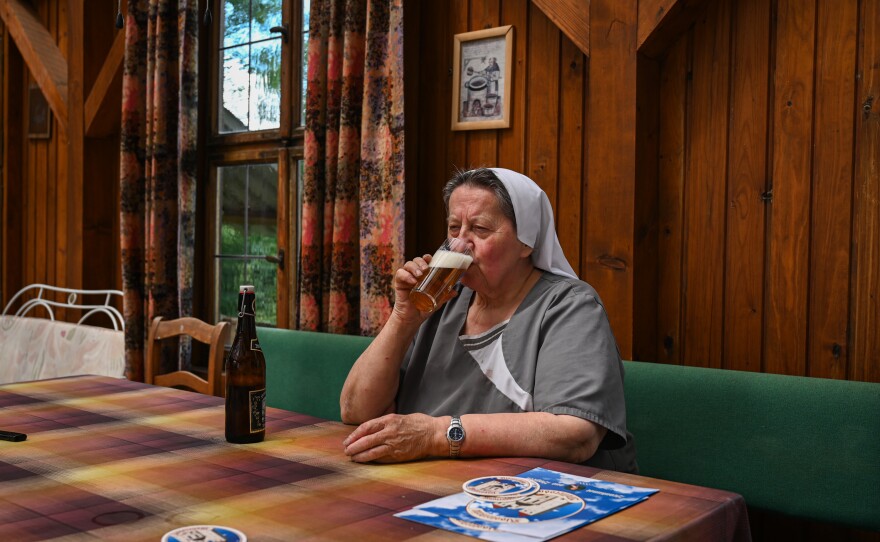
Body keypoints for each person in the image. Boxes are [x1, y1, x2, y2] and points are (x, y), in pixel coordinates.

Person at [340, 167, 637, 473]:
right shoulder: (440, 299)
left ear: (526, 242)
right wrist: (402, 318)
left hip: (545, 495)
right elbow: (356, 410)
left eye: (480, 229)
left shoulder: (569, 306)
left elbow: (576, 435)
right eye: (454, 228)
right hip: (440, 479)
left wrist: (435, 435)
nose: (461, 243)